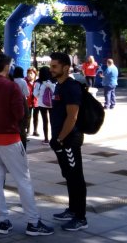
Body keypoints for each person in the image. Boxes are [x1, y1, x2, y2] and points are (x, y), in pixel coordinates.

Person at [0, 53, 54, 236]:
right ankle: (33, 222)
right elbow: (20, 113)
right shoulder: (10, 87)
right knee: (23, 180)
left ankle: (3, 221)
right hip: (10, 138)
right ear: (6, 66)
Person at [48, 52, 88, 231]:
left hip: (69, 140)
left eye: (54, 66)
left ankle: (80, 217)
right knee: (68, 176)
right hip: (61, 140)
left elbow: (72, 117)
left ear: (66, 67)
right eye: (51, 66)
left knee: (76, 177)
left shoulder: (71, 87)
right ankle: (72, 210)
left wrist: (60, 139)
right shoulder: (59, 85)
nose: (51, 69)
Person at [33, 67, 55, 145]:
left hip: (42, 104)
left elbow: (35, 94)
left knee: (45, 121)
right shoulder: (53, 81)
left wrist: (40, 92)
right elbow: (55, 91)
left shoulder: (39, 83)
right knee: (53, 121)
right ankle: (54, 138)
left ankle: (46, 139)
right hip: (52, 103)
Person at [12, 66, 30, 149]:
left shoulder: (11, 81)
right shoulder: (23, 81)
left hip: (12, 103)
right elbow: (27, 93)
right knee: (22, 121)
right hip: (22, 102)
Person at [25, 68, 39, 137]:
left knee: (36, 117)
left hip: (36, 101)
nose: (29, 75)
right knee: (28, 117)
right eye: (28, 73)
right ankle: (28, 130)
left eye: (31, 73)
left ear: (35, 74)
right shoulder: (25, 81)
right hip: (28, 101)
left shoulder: (37, 82)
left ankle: (35, 131)